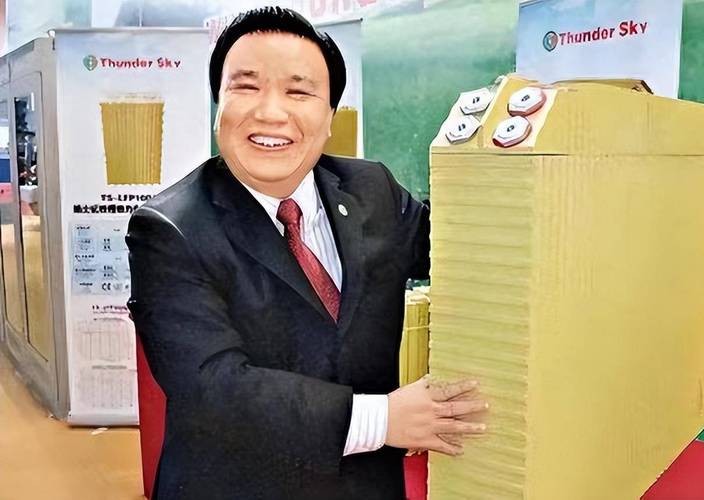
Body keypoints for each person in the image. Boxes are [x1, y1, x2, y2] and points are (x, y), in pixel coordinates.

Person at [127, 7, 487, 499]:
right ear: (218, 104)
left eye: (298, 92)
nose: (271, 112)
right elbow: (212, 388)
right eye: (246, 86)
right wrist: (384, 419)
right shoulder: (170, 229)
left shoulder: (372, 190)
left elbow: (464, 251)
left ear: (330, 115)